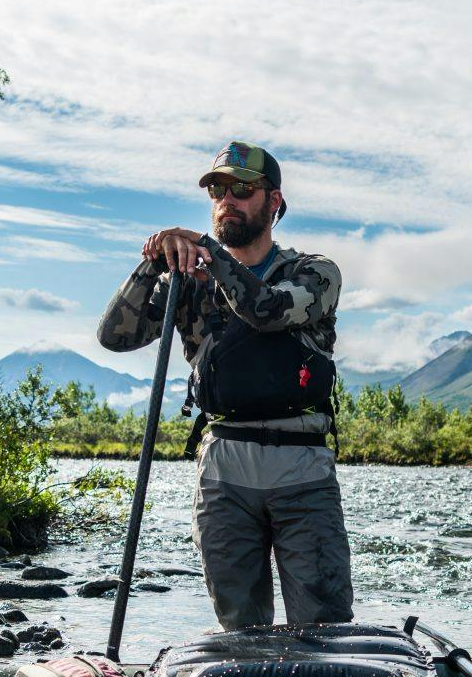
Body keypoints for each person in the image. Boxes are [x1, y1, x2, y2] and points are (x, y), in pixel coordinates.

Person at [97, 141, 353, 631]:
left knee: (325, 627)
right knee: (239, 625)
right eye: (218, 189)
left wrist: (210, 255)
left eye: (242, 189)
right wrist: (153, 262)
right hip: (224, 471)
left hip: (302, 469)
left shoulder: (315, 273)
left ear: (273, 203)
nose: (226, 200)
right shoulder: (187, 282)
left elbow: (265, 311)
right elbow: (115, 337)